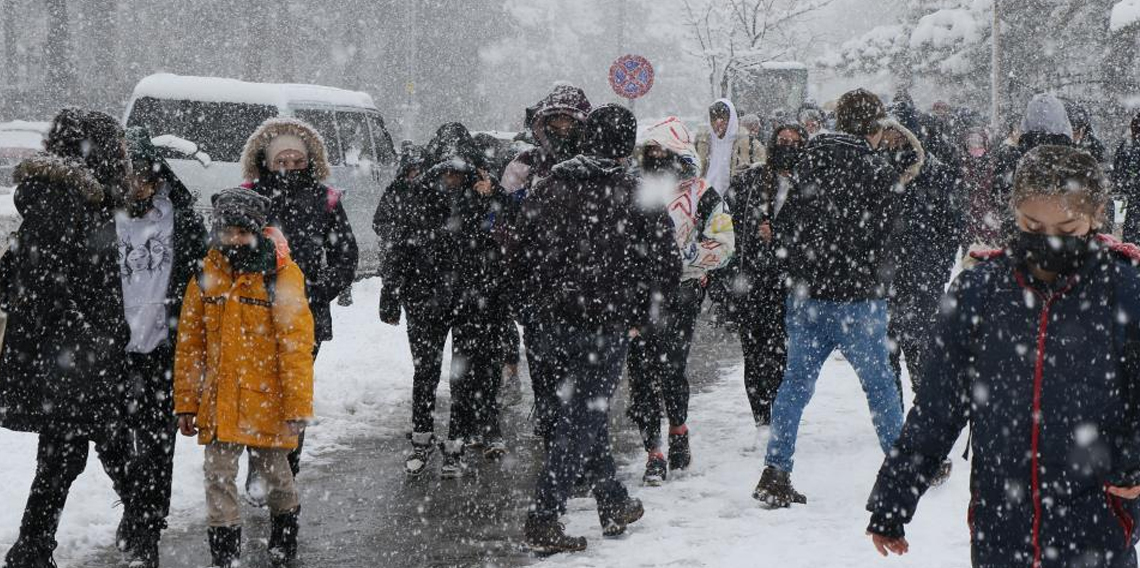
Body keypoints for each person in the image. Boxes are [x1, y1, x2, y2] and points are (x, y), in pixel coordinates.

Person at [867, 145, 1140, 568]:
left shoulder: (1125, 290)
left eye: (1066, 227)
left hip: (1098, 522)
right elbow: (938, 406)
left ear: (1096, 216)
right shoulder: (981, 292)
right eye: (1033, 224)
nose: (1049, 239)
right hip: (1002, 523)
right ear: (1014, 213)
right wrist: (895, 497)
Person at [513, 104, 680, 554]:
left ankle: (612, 500)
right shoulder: (636, 191)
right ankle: (545, 515)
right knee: (583, 418)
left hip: (552, 323)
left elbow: (515, 254)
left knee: (585, 413)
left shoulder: (548, 187)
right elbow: (667, 264)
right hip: (604, 324)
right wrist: (644, 318)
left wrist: (532, 307)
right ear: (625, 145)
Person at [752, 89, 913, 509]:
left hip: (808, 297)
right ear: (873, 128)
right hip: (859, 301)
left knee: (793, 386)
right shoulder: (877, 171)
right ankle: (903, 470)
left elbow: (786, 229)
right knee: (880, 388)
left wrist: (802, 273)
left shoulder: (810, 161)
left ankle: (776, 470)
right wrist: (877, 279)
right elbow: (892, 239)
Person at [0, 109, 133, 568]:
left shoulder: (73, 196)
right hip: (74, 358)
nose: (122, 155)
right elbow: (44, 282)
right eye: (116, 146)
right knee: (96, 447)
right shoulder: (65, 199)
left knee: (70, 452)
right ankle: (142, 525)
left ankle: (34, 549)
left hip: (73, 356)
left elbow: (23, 270)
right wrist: (90, 338)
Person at [174, 188, 313, 568]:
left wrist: (298, 405)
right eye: (227, 231)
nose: (234, 239)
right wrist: (186, 401)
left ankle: (284, 543)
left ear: (257, 229)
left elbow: (296, 346)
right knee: (217, 478)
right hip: (219, 402)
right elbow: (190, 345)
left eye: (242, 231)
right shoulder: (205, 275)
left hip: (266, 400)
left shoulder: (281, 274)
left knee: (278, 478)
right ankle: (225, 556)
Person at [381, 123, 509, 478]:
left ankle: (456, 442)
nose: (451, 178)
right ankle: (421, 440)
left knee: (462, 376)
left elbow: (508, 235)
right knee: (425, 371)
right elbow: (397, 249)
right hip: (425, 299)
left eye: (458, 171)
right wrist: (390, 293)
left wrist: (492, 194)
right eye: (445, 170)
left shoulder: (483, 197)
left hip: (470, 300)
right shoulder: (417, 197)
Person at [239, 117, 359, 491]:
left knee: (293, 391)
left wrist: (318, 290)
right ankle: (258, 464)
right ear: (266, 160)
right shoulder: (248, 197)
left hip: (305, 314)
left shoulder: (325, 200)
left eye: (297, 160)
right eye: (281, 161)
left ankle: (288, 466)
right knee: (257, 390)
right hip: (254, 310)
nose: (289, 168)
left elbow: (345, 254)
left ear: (310, 160)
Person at [110, 127, 209, 567]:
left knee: (156, 444)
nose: (137, 187)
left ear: (157, 178)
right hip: (113, 350)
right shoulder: (102, 218)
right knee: (112, 440)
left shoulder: (181, 218)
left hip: (164, 350)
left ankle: (147, 530)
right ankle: (134, 503)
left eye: (144, 178)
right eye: (128, 178)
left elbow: (203, 279)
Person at [629, 116, 735, 485]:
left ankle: (678, 430)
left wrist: (678, 261)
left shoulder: (703, 194)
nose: (657, 156)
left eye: (664, 150)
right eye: (651, 150)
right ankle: (652, 451)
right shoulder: (635, 190)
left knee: (672, 367)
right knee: (640, 373)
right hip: (639, 296)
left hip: (682, 293)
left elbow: (722, 246)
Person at [500, 84, 592, 444]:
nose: (563, 129)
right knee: (540, 355)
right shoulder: (524, 166)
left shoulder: (597, 166)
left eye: (570, 122)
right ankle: (549, 414)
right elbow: (504, 225)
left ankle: (574, 425)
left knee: (580, 361)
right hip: (536, 279)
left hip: (585, 282)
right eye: (556, 121)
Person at [724, 123, 808, 426]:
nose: (787, 147)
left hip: (791, 285)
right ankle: (761, 415)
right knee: (755, 352)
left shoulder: (810, 184)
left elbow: (818, 235)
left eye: (795, 143)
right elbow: (728, 227)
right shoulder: (750, 180)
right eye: (782, 141)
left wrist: (782, 237)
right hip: (753, 282)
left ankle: (781, 412)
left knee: (783, 354)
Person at [993, 93, 1074, 240]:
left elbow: (999, 198)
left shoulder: (1013, 159)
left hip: (1022, 243)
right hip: (1067, 244)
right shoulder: (1075, 162)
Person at [697, 99, 764, 195]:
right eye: (714, 118)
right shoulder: (701, 144)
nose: (718, 122)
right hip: (704, 201)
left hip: (736, 202)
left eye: (722, 118)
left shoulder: (751, 145)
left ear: (731, 119)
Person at [961, 126, 1001, 246]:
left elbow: (995, 188)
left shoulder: (992, 164)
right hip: (969, 214)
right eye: (971, 143)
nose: (975, 147)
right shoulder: (963, 164)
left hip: (988, 215)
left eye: (978, 143)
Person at [1115, 113, 1140, 243]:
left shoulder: (1126, 147)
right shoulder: (1128, 147)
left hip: (1130, 205)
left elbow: (1118, 178)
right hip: (1132, 204)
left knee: (1130, 246)